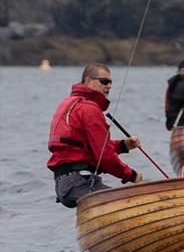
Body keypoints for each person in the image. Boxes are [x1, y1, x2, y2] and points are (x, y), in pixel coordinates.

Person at [47, 63, 143, 208]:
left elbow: (90, 147)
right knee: (132, 204)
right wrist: (131, 175)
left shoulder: (69, 103)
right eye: (104, 81)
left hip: (65, 184)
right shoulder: (89, 108)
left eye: (111, 82)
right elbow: (104, 156)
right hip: (78, 182)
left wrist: (124, 145)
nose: (109, 86)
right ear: (88, 81)